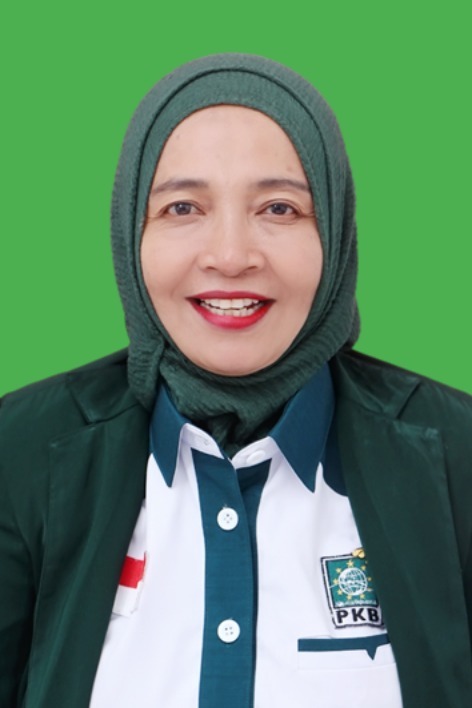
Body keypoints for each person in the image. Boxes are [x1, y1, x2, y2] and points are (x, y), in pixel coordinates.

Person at [0, 54, 471, 708]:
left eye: (279, 208)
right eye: (182, 207)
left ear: (334, 233)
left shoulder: (456, 455)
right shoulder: (19, 453)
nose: (229, 256)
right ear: (131, 232)